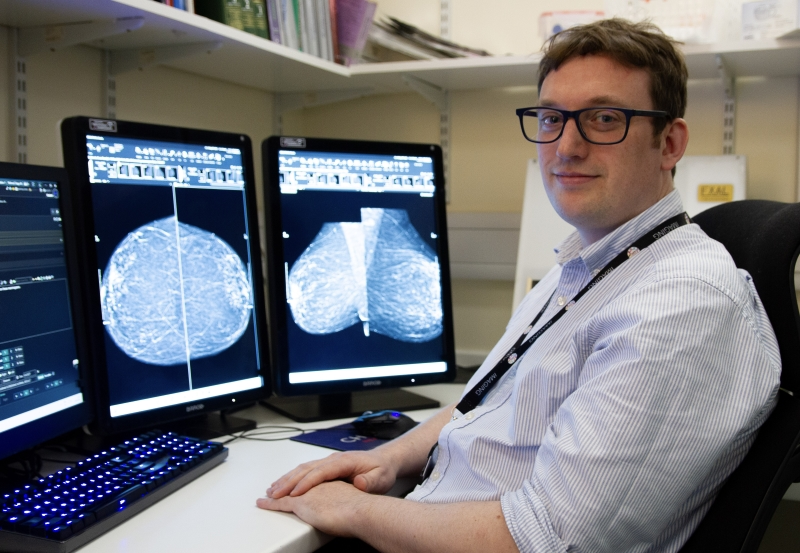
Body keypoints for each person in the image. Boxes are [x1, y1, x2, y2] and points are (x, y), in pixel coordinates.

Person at [256, 19, 781, 553]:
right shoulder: (588, 263)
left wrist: (360, 511)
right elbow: (487, 405)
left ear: (669, 142)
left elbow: (540, 539)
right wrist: (389, 457)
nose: (566, 146)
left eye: (603, 118)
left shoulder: (678, 302)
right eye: (551, 118)